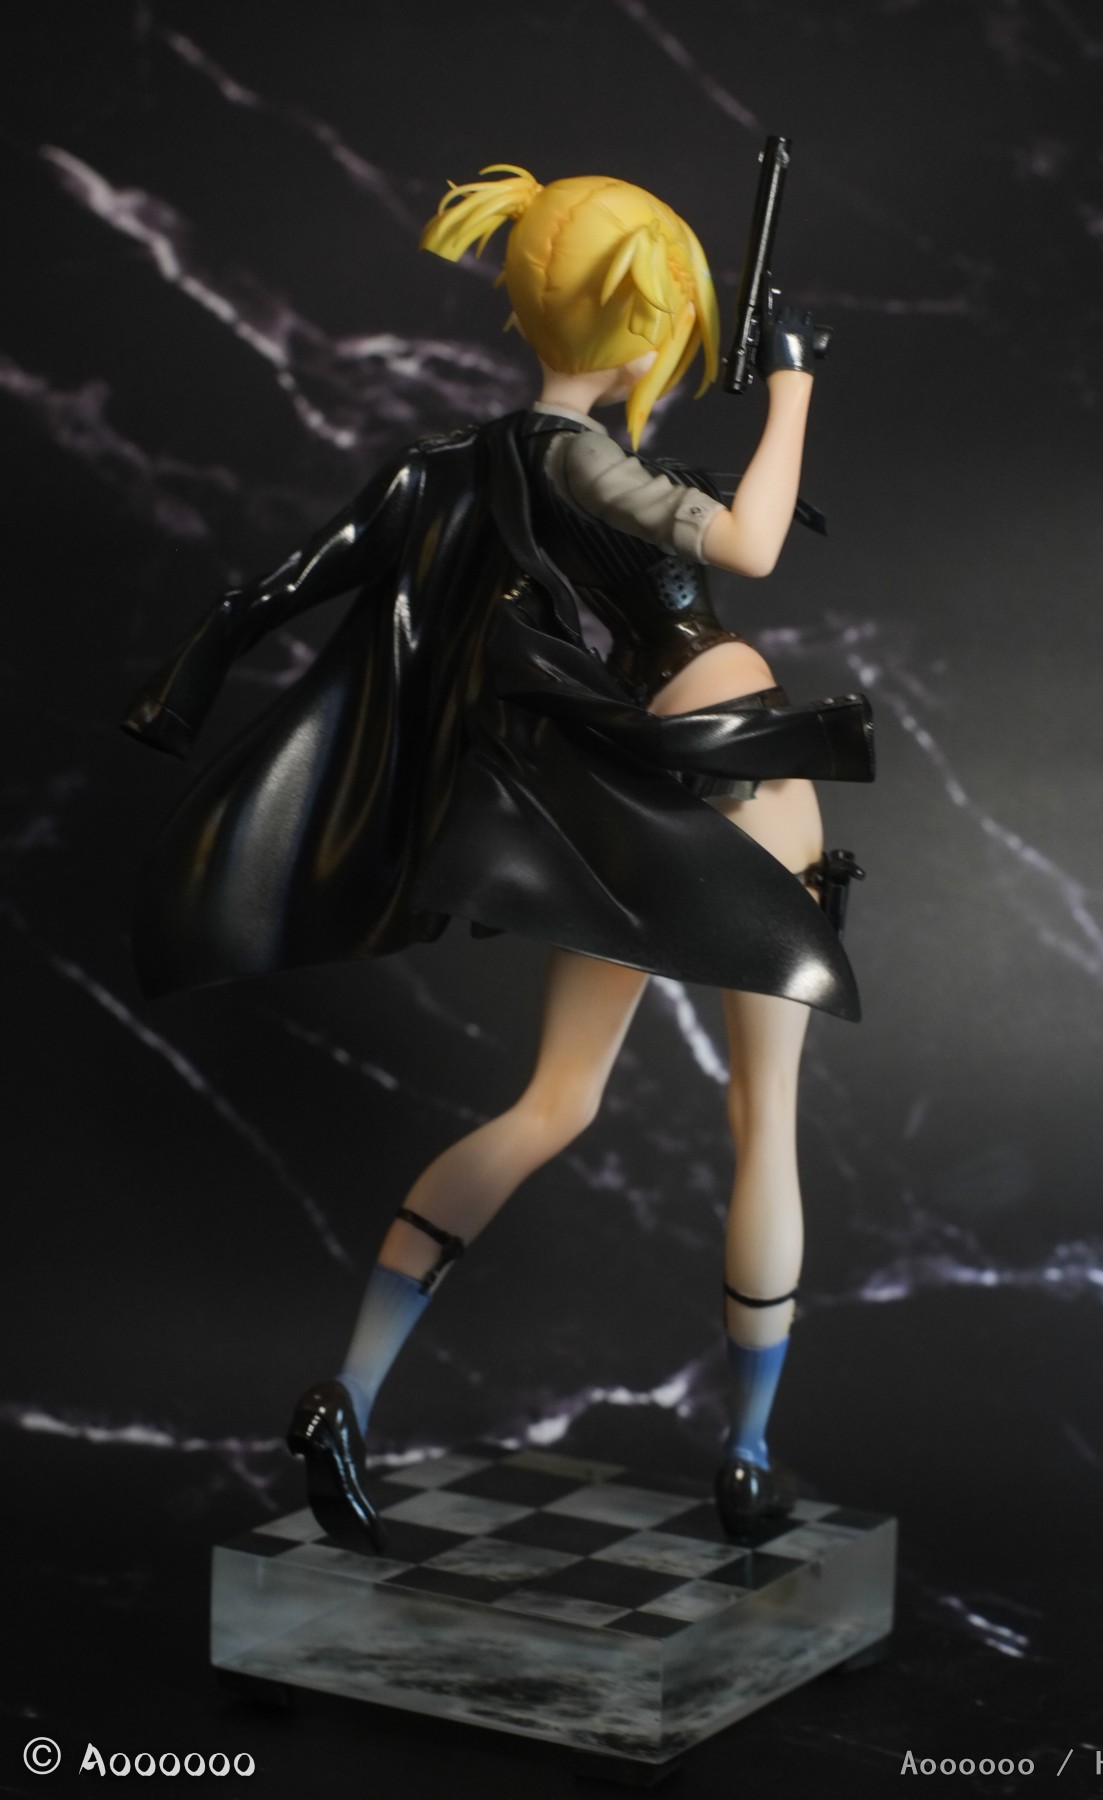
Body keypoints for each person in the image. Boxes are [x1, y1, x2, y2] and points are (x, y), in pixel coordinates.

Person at [123, 164, 873, 1547]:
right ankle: (749, 1453)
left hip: (630, 771)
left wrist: (200, 664)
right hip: (730, 744)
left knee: (554, 1102)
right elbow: (753, 547)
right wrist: (792, 383)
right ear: (646, 322)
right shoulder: (578, 458)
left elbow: (300, 581)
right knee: (763, 1115)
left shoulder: (480, 462)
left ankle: (347, 1392)